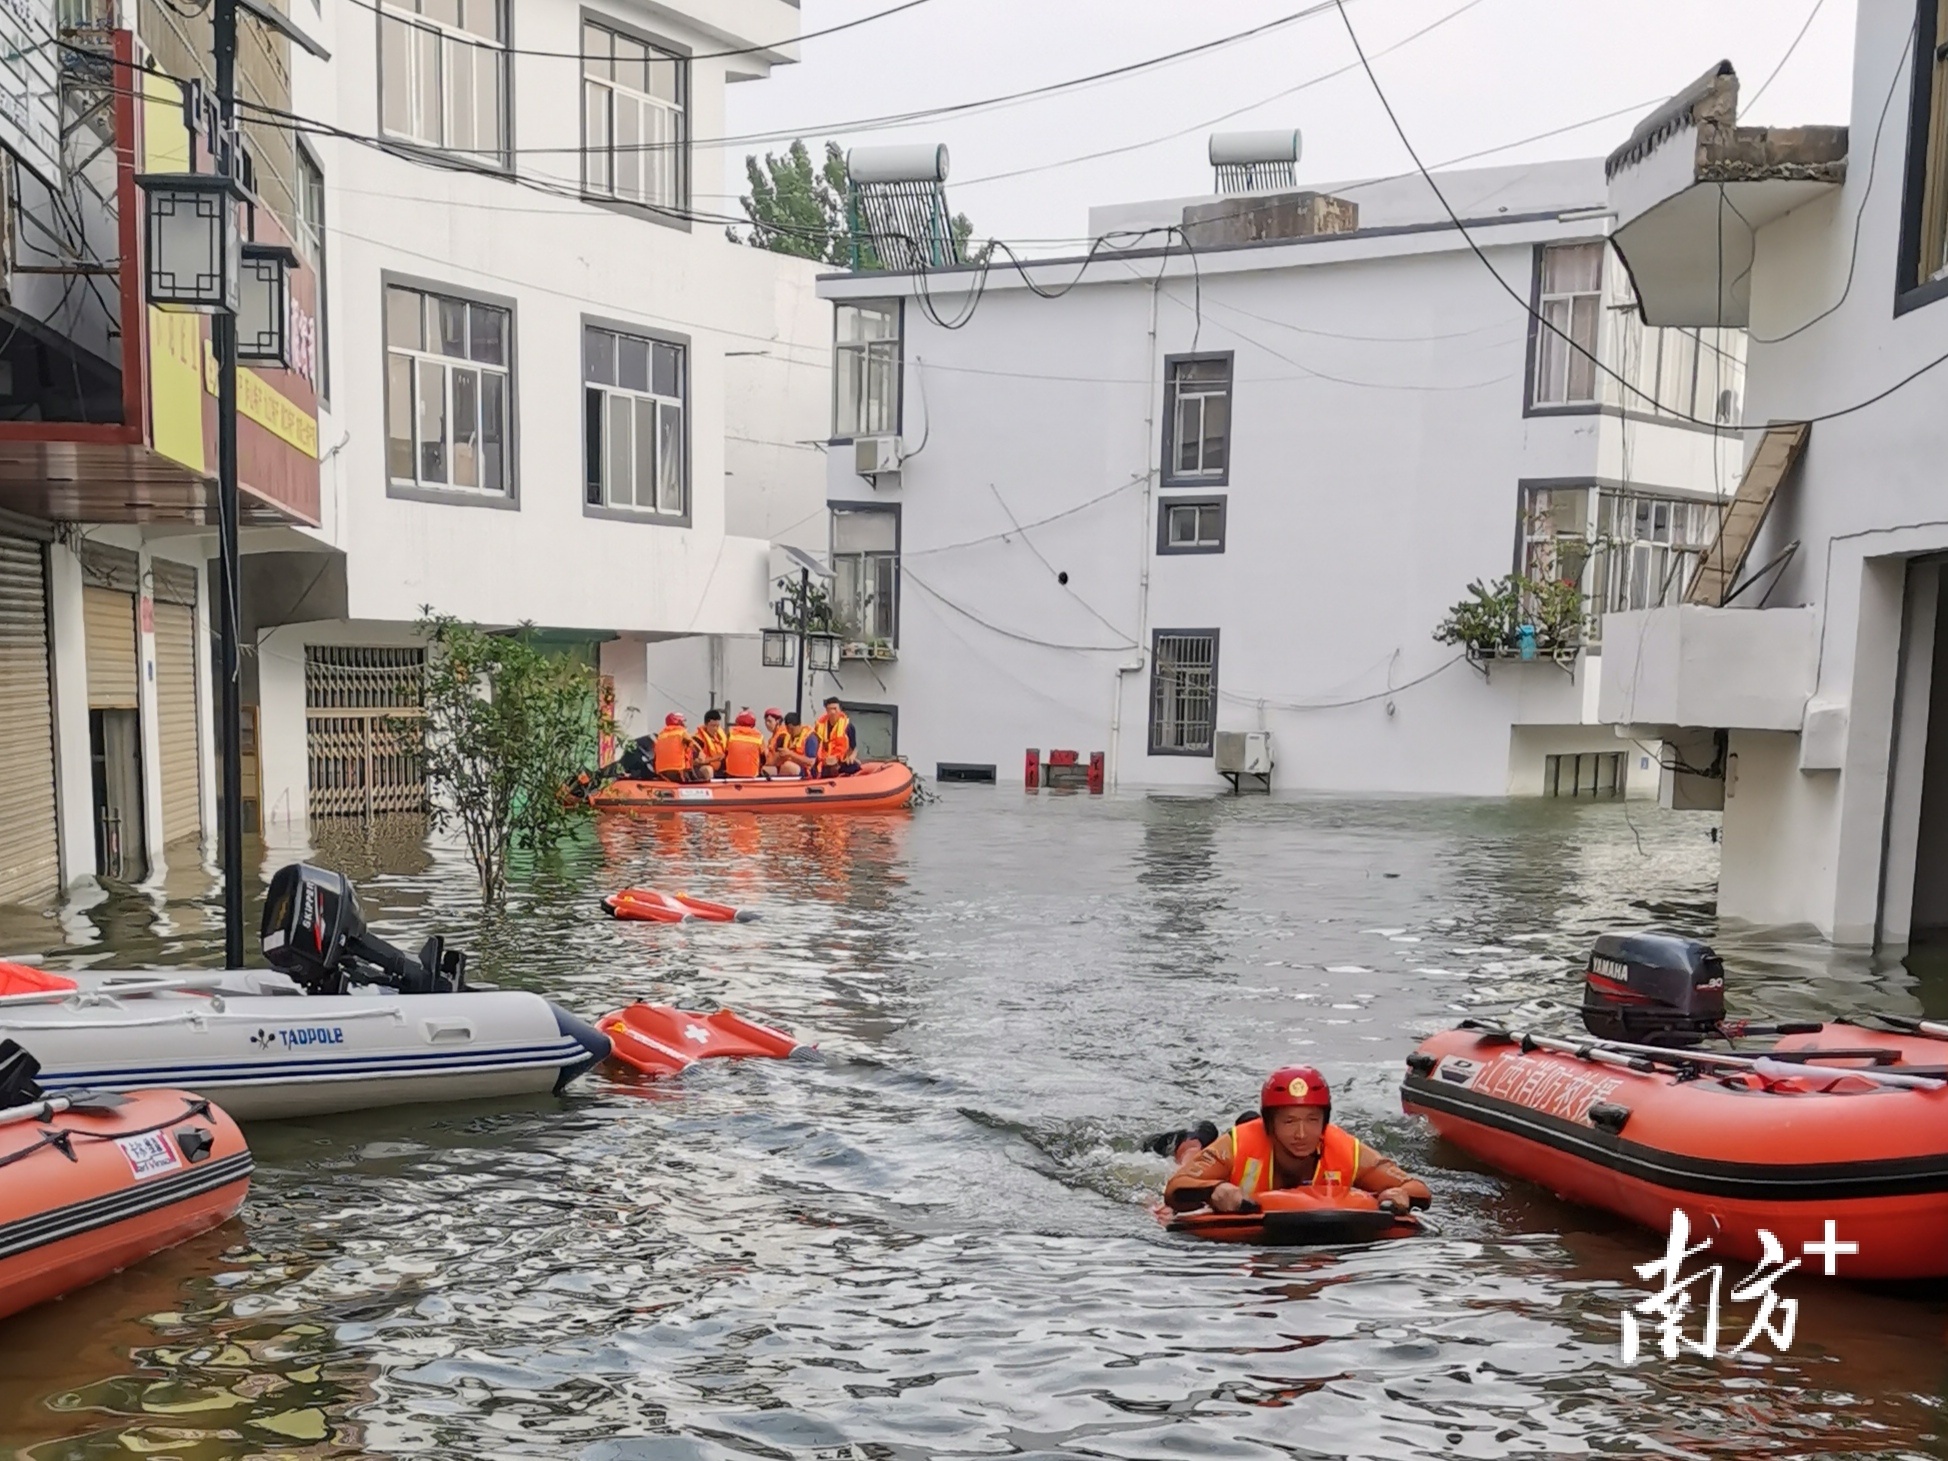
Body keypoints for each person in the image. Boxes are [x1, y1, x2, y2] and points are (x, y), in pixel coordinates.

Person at [1162, 1066, 1432, 1215]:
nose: (1302, 1134)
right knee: (1189, 1161)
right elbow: (1177, 1187)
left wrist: (1400, 1194)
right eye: (1289, 1121)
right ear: (1269, 1124)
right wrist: (1212, 1191)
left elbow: (1417, 1187)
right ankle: (1192, 1141)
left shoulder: (1347, 1149)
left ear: (1325, 1121)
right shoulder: (1240, 1144)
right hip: (1229, 1164)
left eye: (1312, 1120)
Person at [813, 696, 860, 778]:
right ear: (826, 711)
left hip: (841, 761)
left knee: (854, 767)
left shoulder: (848, 726)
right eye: (830, 709)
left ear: (840, 710)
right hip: (823, 762)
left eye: (835, 709)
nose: (833, 712)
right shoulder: (819, 726)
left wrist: (851, 757)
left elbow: (854, 747)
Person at [650, 713, 693, 783]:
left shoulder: (660, 735)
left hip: (662, 772)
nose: (685, 724)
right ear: (679, 722)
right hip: (678, 770)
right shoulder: (682, 733)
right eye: (683, 721)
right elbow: (694, 748)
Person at [723, 710, 766, 779]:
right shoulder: (759, 736)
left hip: (732, 775)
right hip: (752, 775)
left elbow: (725, 751)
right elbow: (764, 756)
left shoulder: (731, 733)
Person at [774, 711, 818, 778]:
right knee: (769, 769)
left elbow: (811, 762)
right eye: (788, 729)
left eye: (792, 729)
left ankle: (778, 786)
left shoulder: (810, 738)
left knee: (788, 766)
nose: (790, 731)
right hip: (786, 767)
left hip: (806, 772)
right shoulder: (786, 737)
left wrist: (790, 754)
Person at [690, 709, 728, 782]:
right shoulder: (698, 739)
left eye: (717, 726)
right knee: (708, 770)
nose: (715, 729)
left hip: (720, 768)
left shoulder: (721, 737)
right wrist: (715, 758)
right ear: (706, 724)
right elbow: (694, 762)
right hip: (702, 769)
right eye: (713, 726)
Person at [761, 708, 789, 776]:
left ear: (778, 721)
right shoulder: (773, 737)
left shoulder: (782, 736)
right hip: (773, 766)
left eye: (769, 721)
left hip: (779, 768)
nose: (767, 724)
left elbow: (779, 757)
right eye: (765, 721)